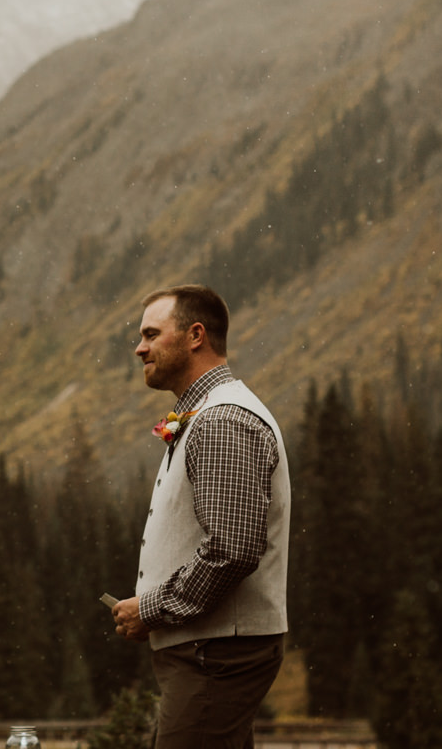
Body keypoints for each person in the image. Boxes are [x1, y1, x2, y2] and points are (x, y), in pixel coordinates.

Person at [111, 284, 290, 749]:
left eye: (151, 334)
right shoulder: (206, 413)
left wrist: (148, 610)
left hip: (216, 654)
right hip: (212, 652)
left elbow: (232, 550)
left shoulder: (222, 420)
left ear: (195, 335)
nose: (139, 347)